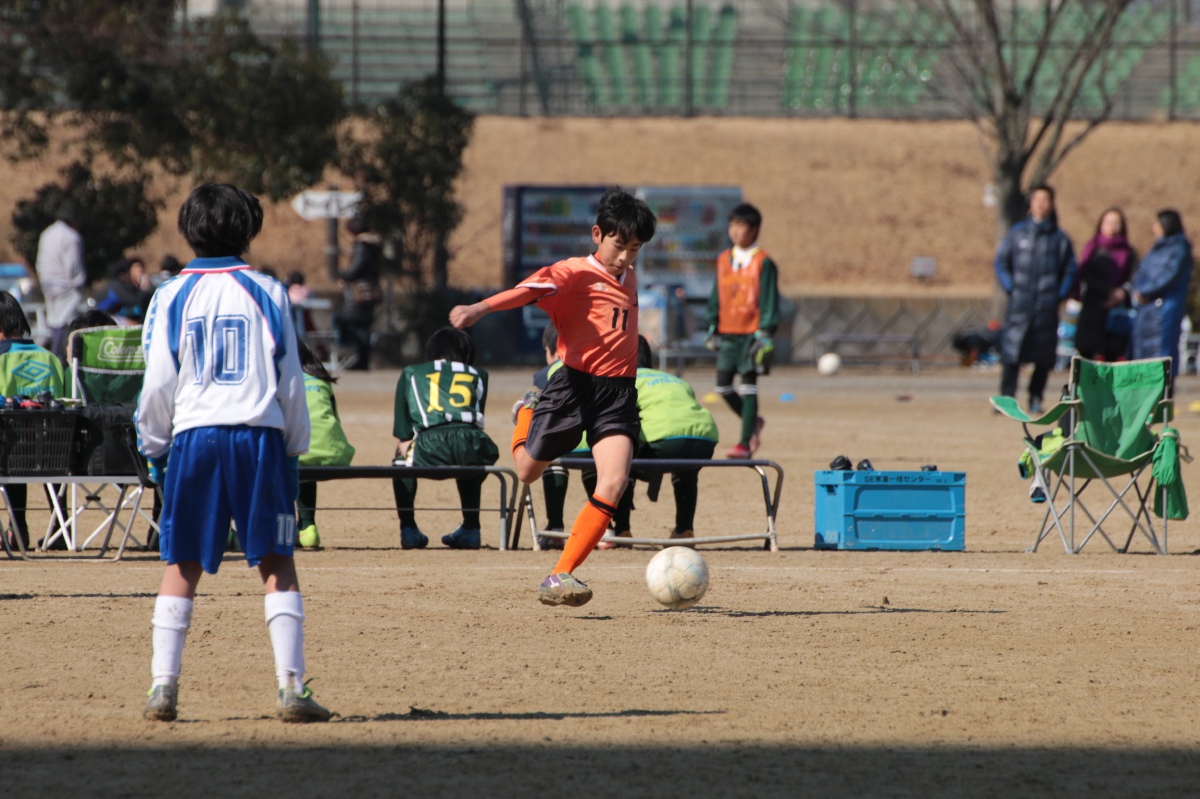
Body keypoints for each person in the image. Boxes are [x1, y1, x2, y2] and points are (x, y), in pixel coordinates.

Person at [136, 183, 330, 724]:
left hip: (194, 437)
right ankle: (291, 687)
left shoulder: (170, 294)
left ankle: (162, 686)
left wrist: (154, 447)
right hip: (257, 436)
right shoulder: (268, 291)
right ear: (249, 230)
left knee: (181, 562)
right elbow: (291, 379)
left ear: (188, 230)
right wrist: (294, 446)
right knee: (277, 561)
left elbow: (157, 383)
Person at [449, 187, 656, 607]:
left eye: (634, 249)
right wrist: (480, 309)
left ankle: (560, 574)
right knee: (527, 471)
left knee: (615, 481)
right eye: (619, 245)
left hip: (619, 393)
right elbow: (528, 290)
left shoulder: (630, 276)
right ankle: (528, 408)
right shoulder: (573, 272)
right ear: (597, 234)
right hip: (574, 387)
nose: (625, 257)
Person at [601, 336, 719, 546]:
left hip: (663, 442)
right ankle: (684, 530)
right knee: (686, 471)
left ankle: (622, 530)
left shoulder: (626, 380)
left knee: (622, 460)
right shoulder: (675, 380)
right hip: (704, 439)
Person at [391, 327, 499, 550]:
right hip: (472, 443)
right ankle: (471, 528)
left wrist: (407, 443)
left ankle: (409, 529)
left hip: (431, 447)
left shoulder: (411, 372)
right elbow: (474, 419)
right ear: (466, 354)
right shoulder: (479, 374)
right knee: (468, 452)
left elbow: (403, 431)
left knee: (400, 456)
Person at [994, 184, 1077, 415]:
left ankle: (1035, 397)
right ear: (1030, 204)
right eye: (1037, 199)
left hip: (1047, 305)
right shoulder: (1017, 233)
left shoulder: (1060, 239)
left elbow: (1070, 270)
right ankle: (1006, 398)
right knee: (1011, 352)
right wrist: (1011, 288)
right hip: (1019, 304)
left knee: (1043, 355)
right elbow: (1001, 263)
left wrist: (1059, 294)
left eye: (1045, 199)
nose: (1041, 204)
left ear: (1052, 204)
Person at [705, 202, 779, 459]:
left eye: (741, 225)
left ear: (754, 229)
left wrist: (766, 331)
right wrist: (712, 324)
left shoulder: (764, 262)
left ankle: (745, 443)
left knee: (748, 387)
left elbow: (769, 299)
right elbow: (716, 294)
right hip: (727, 332)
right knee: (722, 386)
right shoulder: (723, 259)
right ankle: (753, 421)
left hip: (751, 333)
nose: (734, 230)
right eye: (732, 225)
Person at [0, 292, 67, 552]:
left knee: (11, 439)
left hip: (10, 452)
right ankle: (61, 527)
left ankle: (18, 528)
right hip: (55, 452)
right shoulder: (49, 358)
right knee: (42, 440)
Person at [296, 339, 355, 549]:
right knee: (304, 460)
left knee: (290, 457)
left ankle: (286, 527)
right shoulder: (321, 380)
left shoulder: (280, 381)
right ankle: (308, 527)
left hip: (300, 454)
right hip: (334, 453)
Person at [1129, 209, 1194, 376]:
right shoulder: (1156, 248)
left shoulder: (1180, 249)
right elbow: (1141, 271)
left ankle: (1164, 385)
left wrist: (1146, 291)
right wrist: (1138, 290)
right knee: (1143, 352)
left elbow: (1169, 275)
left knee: (1162, 351)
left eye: (1157, 223)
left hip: (1165, 308)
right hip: (1146, 308)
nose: (1154, 227)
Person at [1073, 208, 1138, 362]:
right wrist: (1108, 292)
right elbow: (1085, 274)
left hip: (1117, 313)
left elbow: (1134, 277)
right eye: (1108, 222)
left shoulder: (1129, 252)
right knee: (1088, 356)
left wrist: (1121, 293)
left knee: (1113, 356)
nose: (1112, 226)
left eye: (1116, 223)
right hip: (1094, 308)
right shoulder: (1092, 249)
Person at [35, 205, 87, 359]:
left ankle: (52, 356)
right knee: (64, 323)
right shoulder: (72, 237)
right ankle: (60, 359)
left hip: (48, 285)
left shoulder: (46, 233)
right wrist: (79, 283)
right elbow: (73, 266)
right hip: (66, 287)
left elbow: (39, 262)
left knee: (53, 322)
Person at [331, 215, 382, 371]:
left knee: (354, 324)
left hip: (358, 292)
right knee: (363, 324)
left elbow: (356, 268)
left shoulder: (361, 246)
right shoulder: (374, 245)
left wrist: (342, 275)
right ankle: (361, 359)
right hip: (368, 290)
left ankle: (359, 360)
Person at [98, 257, 154, 324]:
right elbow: (134, 302)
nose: (140, 273)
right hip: (107, 318)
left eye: (141, 270)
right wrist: (144, 287)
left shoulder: (135, 288)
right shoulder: (117, 286)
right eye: (137, 270)